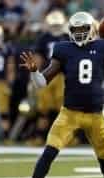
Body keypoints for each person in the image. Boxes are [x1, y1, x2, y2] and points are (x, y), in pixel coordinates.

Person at [20, 11, 104, 178]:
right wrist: (33, 71)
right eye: (75, 29)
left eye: (83, 29)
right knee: (49, 151)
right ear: (69, 30)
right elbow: (41, 83)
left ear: (92, 29)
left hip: (96, 115)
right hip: (69, 113)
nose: (79, 32)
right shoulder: (63, 49)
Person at [30, 10, 68, 145]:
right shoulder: (44, 38)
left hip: (63, 76)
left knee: (63, 109)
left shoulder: (67, 37)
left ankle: (64, 138)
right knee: (43, 108)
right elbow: (39, 57)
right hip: (47, 74)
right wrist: (35, 74)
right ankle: (40, 136)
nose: (56, 27)